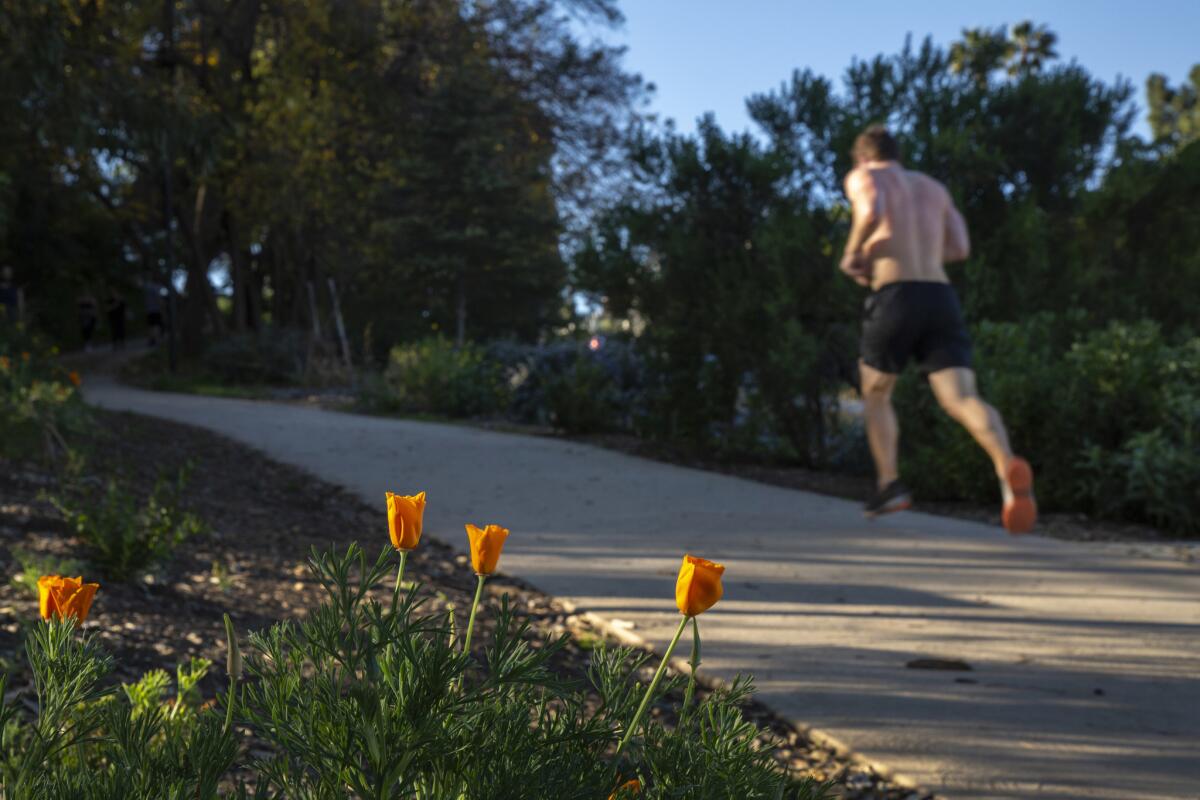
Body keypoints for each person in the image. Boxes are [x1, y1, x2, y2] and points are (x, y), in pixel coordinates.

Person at [840, 125, 1036, 534]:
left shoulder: (865, 177)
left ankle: (888, 484)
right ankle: (1006, 465)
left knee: (876, 391)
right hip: (940, 297)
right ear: (898, 154)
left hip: (895, 294)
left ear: (862, 158)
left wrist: (854, 252)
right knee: (962, 397)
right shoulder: (933, 188)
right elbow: (960, 248)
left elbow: (871, 208)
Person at [143, 279, 164, 347]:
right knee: (156, 326)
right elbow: (159, 299)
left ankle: (152, 340)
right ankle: (156, 341)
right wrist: (162, 306)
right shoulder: (157, 288)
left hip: (149, 310)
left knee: (151, 326)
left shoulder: (148, 287)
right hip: (156, 310)